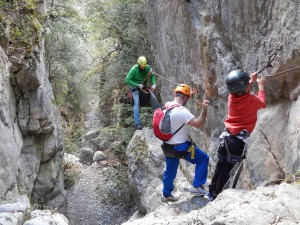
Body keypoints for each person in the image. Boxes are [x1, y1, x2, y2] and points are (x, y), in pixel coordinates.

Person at [206, 69, 267, 201]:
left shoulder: (231, 97)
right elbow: (262, 102)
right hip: (237, 144)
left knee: (220, 166)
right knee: (228, 173)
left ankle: (211, 192)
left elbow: (242, 91)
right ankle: (216, 197)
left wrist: (251, 80)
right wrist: (260, 85)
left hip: (225, 139)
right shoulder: (252, 100)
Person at [160, 84, 211, 202]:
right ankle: (197, 186)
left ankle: (166, 194)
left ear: (175, 95)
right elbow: (198, 124)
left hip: (167, 147)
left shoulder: (165, 108)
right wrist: (204, 109)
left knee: (170, 170)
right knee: (203, 159)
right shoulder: (182, 111)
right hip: (181, 148)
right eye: (188, 97)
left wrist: (189, 95)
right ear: (186, 98)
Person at [125, 56, 161, 130]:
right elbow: (127, 80)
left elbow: (152, 76)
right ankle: (137, 124)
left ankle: (160, 118)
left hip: (144, 87)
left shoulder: (147, 68)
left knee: (154, 100)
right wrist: (137, 85)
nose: (143, 68)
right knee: (136, 103)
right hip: (135, 88)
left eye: (144, 66)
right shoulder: (134, 69)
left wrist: (154, 84)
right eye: (142, 66)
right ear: (138, 65)